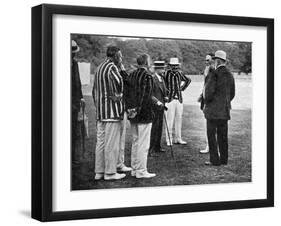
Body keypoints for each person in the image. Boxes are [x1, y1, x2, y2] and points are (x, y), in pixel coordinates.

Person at [92, 46, 126, 180]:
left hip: (101, 112)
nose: (121, 58)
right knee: (111, 143)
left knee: (100, 143)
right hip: (111, 112)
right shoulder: (112, 67)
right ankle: (110, 173)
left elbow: (95, 90)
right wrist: (119, 96)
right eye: (120, 56)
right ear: (116, 56)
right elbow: (120, 83)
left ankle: (99, 172)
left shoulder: (99, 67)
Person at [125, 54, 158, 178]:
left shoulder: (131, 75)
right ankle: (141, 171)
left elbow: (127, 94)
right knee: (143, 144)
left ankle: (135, 169)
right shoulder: (148, 76)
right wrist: (140, 109)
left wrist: (131, 109)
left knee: (135, 141)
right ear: (146, 63)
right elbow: (146, 96)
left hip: (132, 112)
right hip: (144, 113)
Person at [203, 50, 235, 166]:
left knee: (211, 136)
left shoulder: (214, 74)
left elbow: (209, 92)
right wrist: (224, 103)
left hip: (213, 111)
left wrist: (208, 103)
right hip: (224, 110)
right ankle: (224, 159)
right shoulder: (230, 74)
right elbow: (232, 94)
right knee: (223, 136)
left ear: (217, 61)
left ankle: (214, 160)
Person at [164, 57, 191, 146]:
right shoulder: (166, 74)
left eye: (176, 66)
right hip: (170, 99)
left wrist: (182, 88)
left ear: (178, 66)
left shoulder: (180, 74)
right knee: (169, 120)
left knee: (179, 119)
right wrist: (166, 92)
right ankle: (169, 139)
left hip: (179, 99)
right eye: (173, 66)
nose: (175, 68)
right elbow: (162, 85)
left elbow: (188, 80)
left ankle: (178, 139)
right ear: (170, 66)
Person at [149, 61, 169, 156]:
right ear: (158, 69)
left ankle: (157, 146)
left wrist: (166, 96)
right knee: (154, 128)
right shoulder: (152, 79)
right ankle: (151, 149)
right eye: (163, 68)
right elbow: (150, 94)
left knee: (159, 127)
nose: (164, 70)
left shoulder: (162, 79)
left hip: (161, 107)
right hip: (154, 107)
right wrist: (157, 102)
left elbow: (164, 91)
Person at [198, 53, 215, 154]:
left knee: (212, 125)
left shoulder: (214, 71)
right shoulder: (207, 70)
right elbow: (206, 86)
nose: (206, 62)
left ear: (213, 60)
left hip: (212, 102)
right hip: (206, 100)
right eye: (205, 60)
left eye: (208, 60)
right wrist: (201, 95)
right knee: (209, 125)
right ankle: (209, 146)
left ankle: (211, 146)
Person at [71, 40, 85, 163]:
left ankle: (72, 157)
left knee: (74, 131)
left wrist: (80, 97)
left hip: (74, 103)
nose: (73, 54)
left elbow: (78, 82)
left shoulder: (74, 64)